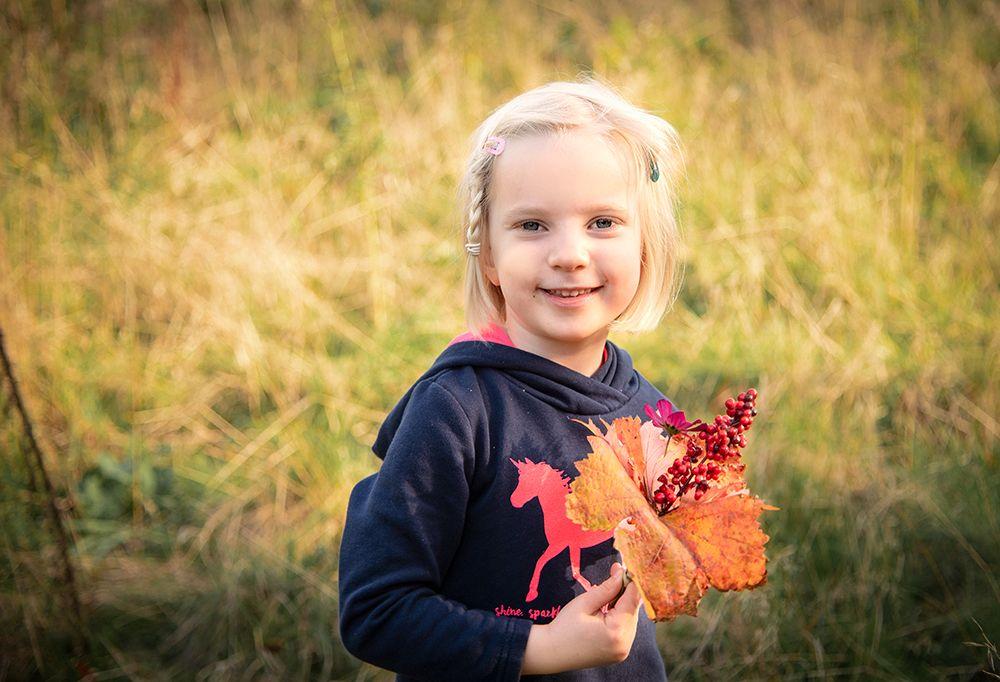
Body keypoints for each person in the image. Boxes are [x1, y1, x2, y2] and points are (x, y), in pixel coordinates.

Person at [338, 78, 684, 681]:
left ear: (646, 247)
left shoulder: (655, 416)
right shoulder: (453, 412)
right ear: (489, 254)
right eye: (532, 226)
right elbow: (375, 610)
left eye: (603, 222)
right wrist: (539, 648)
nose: (570, 254)